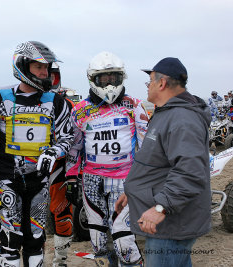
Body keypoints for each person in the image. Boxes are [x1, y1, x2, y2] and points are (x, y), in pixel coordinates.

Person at [0, 41, 73, 267]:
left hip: (39, 182)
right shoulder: (0, 98)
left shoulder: (56, 101)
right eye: (38, 67)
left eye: (46, 68)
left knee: (36, 240)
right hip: (8, 179)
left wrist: (54, 151)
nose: (44, 72)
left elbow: (68, 138)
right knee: (10, 240)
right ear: (22, 65)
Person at [116, 57, 211, 267]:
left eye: (149, 81)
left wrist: (161, 208)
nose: (148, 87)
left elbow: (191, 172)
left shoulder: (182, 119)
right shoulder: (167, 113)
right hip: (168, 222)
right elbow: (157, 162)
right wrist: (133, 192)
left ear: (162, 83)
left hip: (172, 225)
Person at [66, 51, 147, 266]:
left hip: (125, 179)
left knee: (123, 237)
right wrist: (71, 177)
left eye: (114, 78)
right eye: (104, 79)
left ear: (122, 78)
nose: (110, 84)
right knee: (98, 239)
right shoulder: (80, 110)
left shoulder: (134, 105)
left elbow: (147, 146)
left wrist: (145, 178)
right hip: (91, 179)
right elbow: (75, 147)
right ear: (93, 79)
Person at [47, 63, 75, 267]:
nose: (48, 78)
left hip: (59, 163)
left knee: (62, 211)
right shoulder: (21, 101)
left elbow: (75, 138)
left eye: (53, 75)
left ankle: (60, 261)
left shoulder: (67, 105)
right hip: (29, 164)